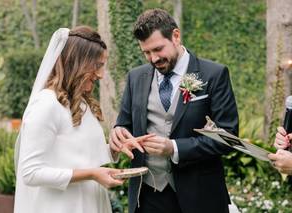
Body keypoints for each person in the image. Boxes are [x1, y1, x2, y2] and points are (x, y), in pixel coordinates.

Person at [109, 9, 239, 213]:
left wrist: (174, 148)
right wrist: (117, 133)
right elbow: (124, 124)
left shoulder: (214, 74)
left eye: (158, 49)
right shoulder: (136, 77)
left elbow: (229, 137)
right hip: (148, 195)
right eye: (146, 52)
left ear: (176, 36)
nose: (153, 59)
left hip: (201, 197)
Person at [14, 26, 124, 213]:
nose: (101, 74)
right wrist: (91, 174)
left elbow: (81, 155)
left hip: (89, 204)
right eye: (97, 65)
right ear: (77, 63)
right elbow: (30, 173)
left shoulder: (82, 104)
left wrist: (114, 149)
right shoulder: (46, 104)